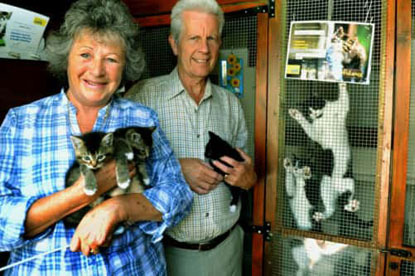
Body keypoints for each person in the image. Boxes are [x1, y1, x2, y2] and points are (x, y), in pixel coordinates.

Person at [0, 0, 193, 274]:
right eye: (86, 55)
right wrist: (83, 192)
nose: (98, 70)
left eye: (111, 59)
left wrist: (118, 207)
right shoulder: (21, 123)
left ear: (125, 65)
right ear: (66, 56)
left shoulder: (142, 119)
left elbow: (178, 193)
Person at [125, 0, 257, 275]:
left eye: (211, 38)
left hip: (228, 250)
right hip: (167, 253)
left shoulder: (230, 103)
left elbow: (249, 170)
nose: (204, 49)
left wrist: (247, 179)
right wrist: (176, 168)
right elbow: (118, 172)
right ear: (174, 44)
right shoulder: (142, 97)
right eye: (194, 37)